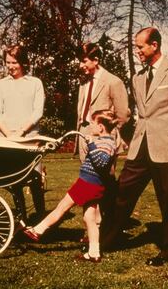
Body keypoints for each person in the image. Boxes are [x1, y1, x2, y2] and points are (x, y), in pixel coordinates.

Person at [101, 27, 168, 266]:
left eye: (140, 47)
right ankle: (105, 241)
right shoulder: (137, 78)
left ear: (154, 45)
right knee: (122, 191)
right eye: (136, 47)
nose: (137, 51)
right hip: (140, 146)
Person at [22, 110, 117, 263]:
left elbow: (102, 162)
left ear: (100, 127)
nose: (90, 126)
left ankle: (38, 230)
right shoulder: (104, 140)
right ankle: (94, 252)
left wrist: (91, 144)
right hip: (93, 184)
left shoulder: (106, 143)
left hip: (87, 184)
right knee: (89, 218)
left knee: (61, 207)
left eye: (92, 123)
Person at [0, 44, 45, 222]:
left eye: (14, 62)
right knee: (14, 180)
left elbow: (38, 112)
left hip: (29, 138)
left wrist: (22, 132)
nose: (11, 66)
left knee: (35, 179)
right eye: (8, 62)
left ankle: (40, 219)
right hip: (7, 139)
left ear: (23, 62)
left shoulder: (35, 83)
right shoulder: (1, 84)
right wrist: (9, 136)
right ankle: (22, 219)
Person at [76, 42, 130, 163]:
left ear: (95, 60)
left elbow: (122, 115)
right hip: (83, 133)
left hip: (103, 136)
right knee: (87, 176)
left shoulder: (113, 81)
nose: (80, 65)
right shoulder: (83, 83)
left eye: (84, 61)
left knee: (105, 178)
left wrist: (108, 132)